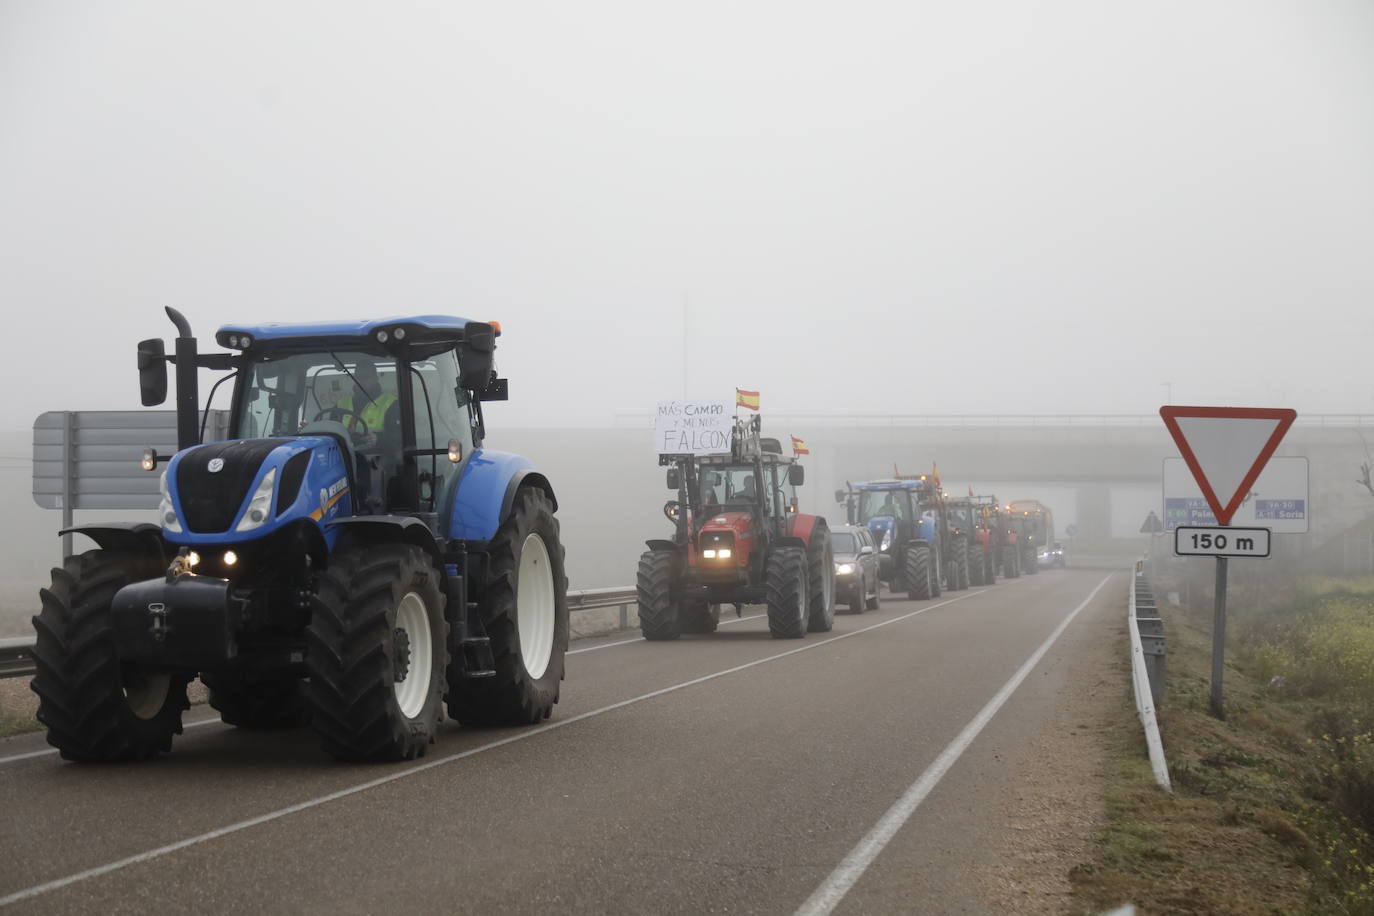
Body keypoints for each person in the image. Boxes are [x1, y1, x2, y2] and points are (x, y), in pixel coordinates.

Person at [339, 362, 398, 447]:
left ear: (376, 379)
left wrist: (378, 438)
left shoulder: (391, 404)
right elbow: (332, 433)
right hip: (346, 456)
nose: (361, 381)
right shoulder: (341, 404)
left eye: (366, 377)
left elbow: (398, 436)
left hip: (378, 457)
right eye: (358, 377)